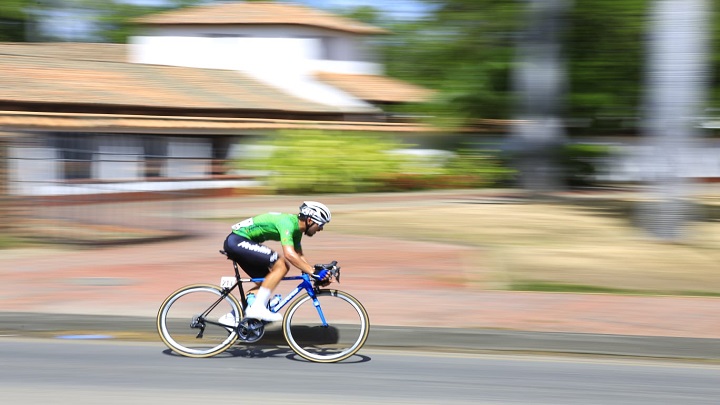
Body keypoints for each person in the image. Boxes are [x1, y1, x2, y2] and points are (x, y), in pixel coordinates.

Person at [221, 201, 332, 322]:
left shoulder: (297, 231)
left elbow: (299, 257)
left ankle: (231, 317)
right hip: (237, 240)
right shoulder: (288, 223)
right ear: (310, 220)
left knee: (266, 282)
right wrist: (313, 271)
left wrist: (315, 274)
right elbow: (289, 255)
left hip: (239, 242)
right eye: (321, 224)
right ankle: (257, 308)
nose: (321, 229)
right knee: (282, 265)